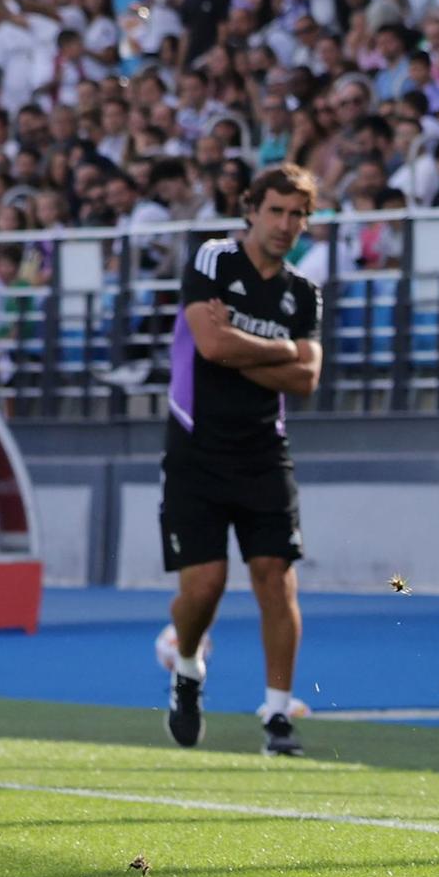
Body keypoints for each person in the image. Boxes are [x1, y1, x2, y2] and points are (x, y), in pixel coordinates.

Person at [158, 165, 323, 757]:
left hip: (263, 451)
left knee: (275, 578)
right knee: (204, 586)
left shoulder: (303, 292)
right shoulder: (214, 261)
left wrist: (244, 351)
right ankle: (187, 666)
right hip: (197, 448)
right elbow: (210, 344)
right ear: (251, 209)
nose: (286, 225)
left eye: (297, 214)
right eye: (276, 211)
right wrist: (281, 351)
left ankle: (277, 716)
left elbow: (307, 377)